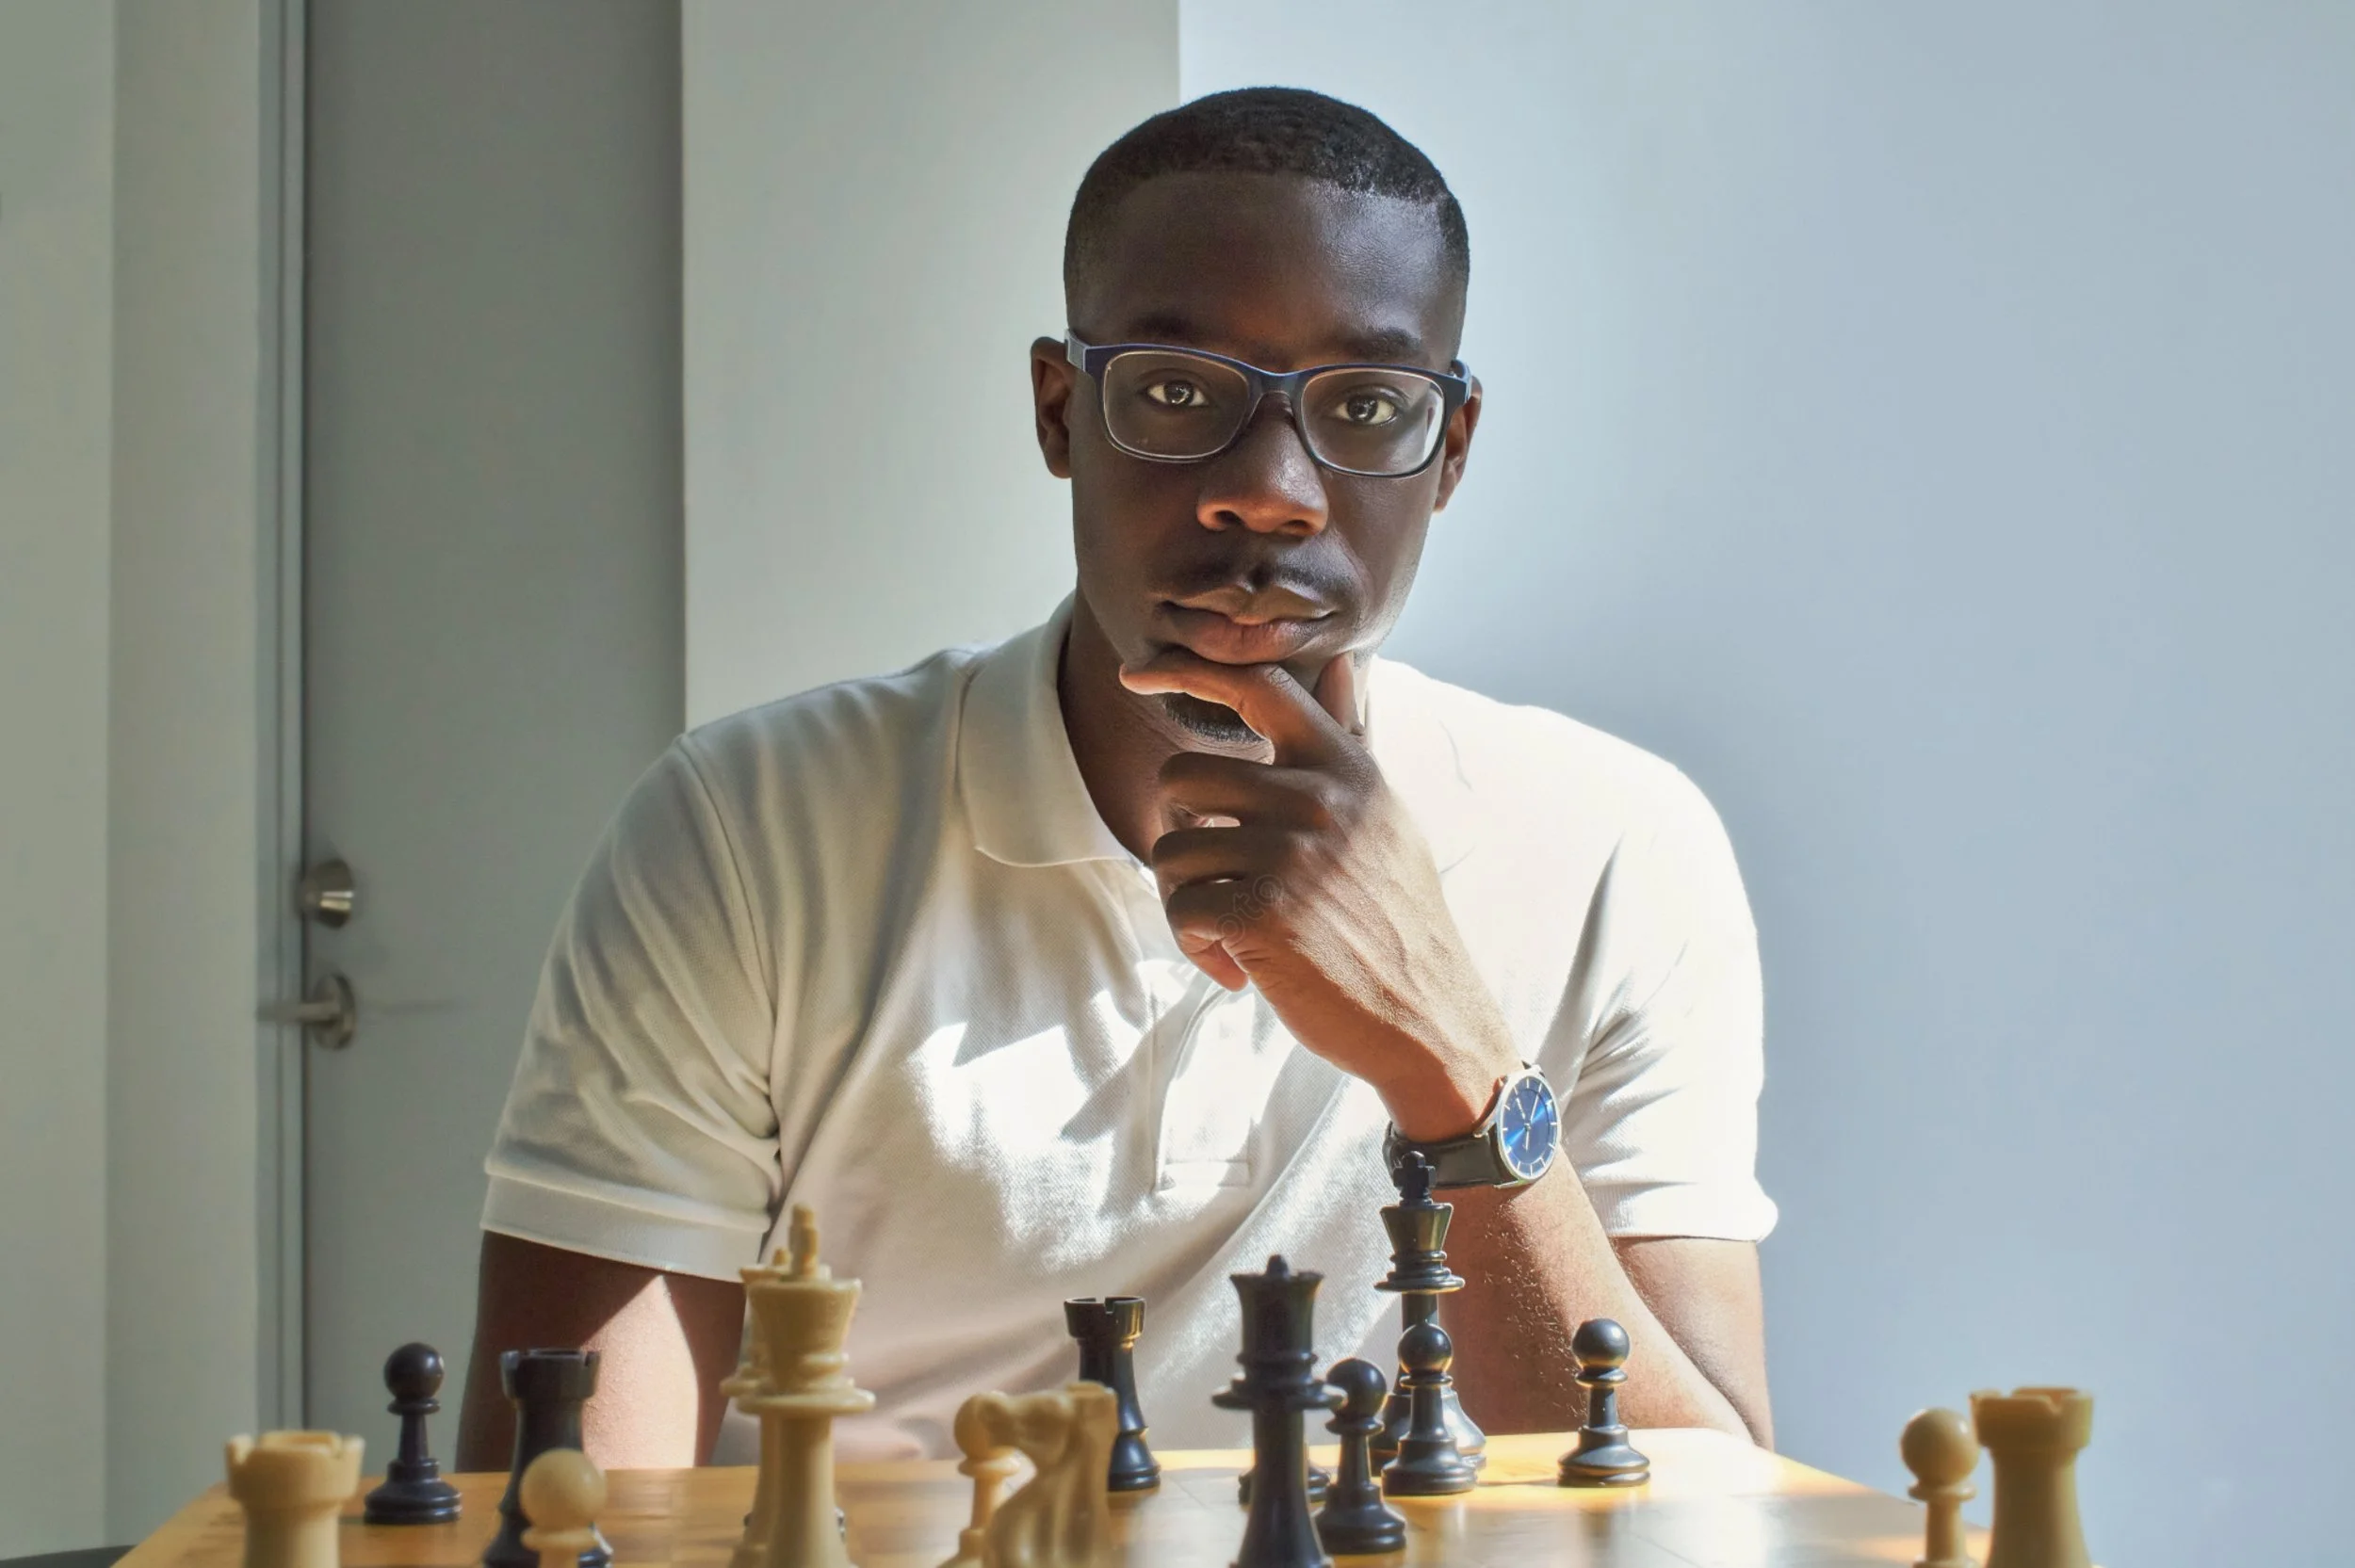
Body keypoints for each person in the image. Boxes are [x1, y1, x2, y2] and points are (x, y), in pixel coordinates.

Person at [455, 87, 1777, 1471]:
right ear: (1057, 412)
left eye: (1369, 405)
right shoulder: (748, 828)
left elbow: (1710, 1508)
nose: (1271, 491)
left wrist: (1444, 1045)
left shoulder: (1620, 844)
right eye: (1176, 392)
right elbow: (566, 1508)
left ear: (1447, 453)